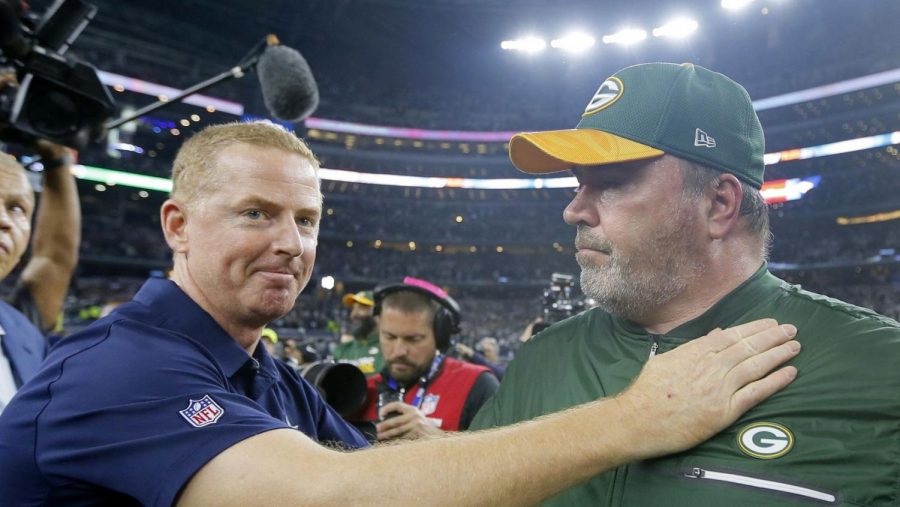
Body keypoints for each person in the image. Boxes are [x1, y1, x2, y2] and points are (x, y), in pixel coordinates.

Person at [0, 120, 801, 506]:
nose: (289, 243)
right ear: (177, 225)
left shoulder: (265, 371)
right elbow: (333, 498)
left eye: (306, 220)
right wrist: (635, 420)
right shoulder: (117, 369)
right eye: (255, 213)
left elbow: (383, 476)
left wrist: (444, 447)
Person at [470, 62, 900, 506]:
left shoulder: (881, 370)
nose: (574, 211)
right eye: (578, 184)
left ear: (719, 204)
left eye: (611, 183)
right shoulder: (542, 360)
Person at [0, 86, 80, 410]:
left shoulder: (21, 329)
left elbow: (54, 259)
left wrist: (57, 157)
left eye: (17, 208)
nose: (4, 220)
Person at [355, 277, 498, 440]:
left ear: (440, 337)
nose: (399, 351)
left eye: (413, 339)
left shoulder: (477, 384)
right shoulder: (360, 393)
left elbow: (503, 460)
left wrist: (438, 440)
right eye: (389, 337)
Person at [332, 289, 383, 376]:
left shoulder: (387, 349)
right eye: (353, 308)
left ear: (378, 312)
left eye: (361, 308)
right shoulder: (342, 350)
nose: (353, 314)